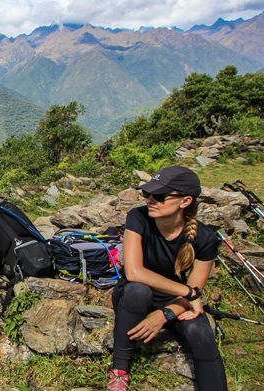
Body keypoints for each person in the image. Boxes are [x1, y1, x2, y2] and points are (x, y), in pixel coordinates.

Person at [107, 166, 227, 391]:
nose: (151, 200)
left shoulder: (206, 239)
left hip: (175, 299)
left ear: (185, 201)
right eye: (147, 194)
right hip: (137, 292)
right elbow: (134, 272)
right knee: (137, 290)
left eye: (160, 196)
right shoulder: (138, 217)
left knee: (200, 333)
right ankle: (120, 370)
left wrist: (165, 314)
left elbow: (196, 288)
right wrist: (189, 293)